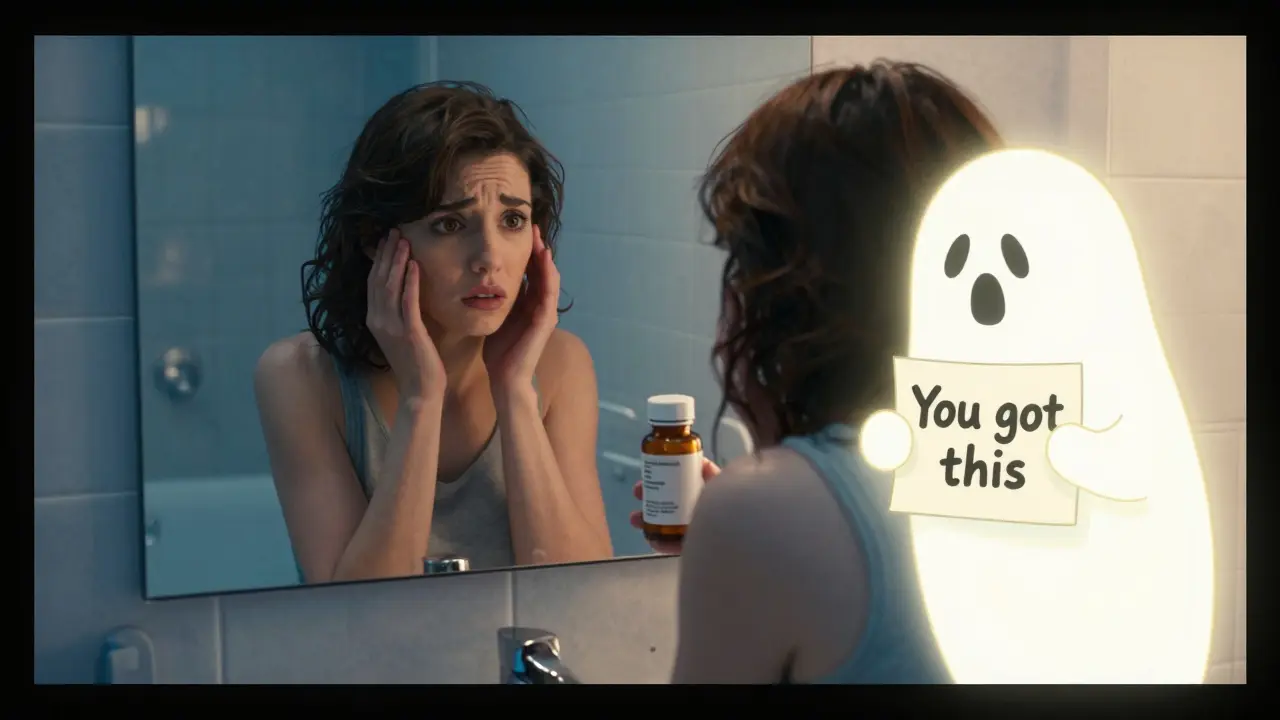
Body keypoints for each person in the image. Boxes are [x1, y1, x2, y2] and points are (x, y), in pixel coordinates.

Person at [631, 61, 1004, 683]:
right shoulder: (1054, 467)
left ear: (786, 284)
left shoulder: (763, 512)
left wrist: (760, 518)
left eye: (740, 255)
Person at [255, 81, 614, 585]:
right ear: (375, 242)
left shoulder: (561, 367)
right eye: (450, 225)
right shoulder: (299, 378)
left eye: (512, 219)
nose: (489, 258)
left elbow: (582, 592)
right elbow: (353, 611)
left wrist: (514, 391)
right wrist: (421, 397)